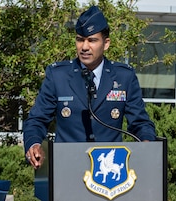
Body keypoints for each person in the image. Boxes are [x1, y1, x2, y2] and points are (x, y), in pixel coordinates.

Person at [23, 6, 156, 169]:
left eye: (92, 40)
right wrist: (34, 143)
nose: (84, 47)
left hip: (108, 175)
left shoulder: (124, 77)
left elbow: (140, 123)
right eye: (80, 39)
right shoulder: (58, 76)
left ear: (106, 44)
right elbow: (37, 119)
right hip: (66, 169)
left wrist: (147, 145)